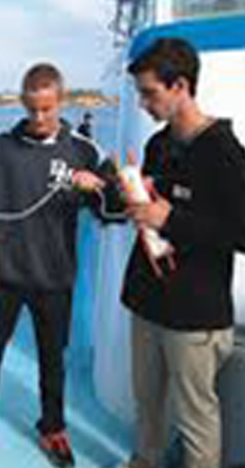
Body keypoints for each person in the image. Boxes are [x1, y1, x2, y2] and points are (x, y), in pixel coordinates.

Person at [0, 63, 114, 467]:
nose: (39, 118)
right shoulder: (0, 146)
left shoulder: (85, 151)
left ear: (61, 101)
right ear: (24, 104)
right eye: (32, 110)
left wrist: (102, 187)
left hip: (55, 279)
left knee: (52, 361)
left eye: (47, 109)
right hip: (5, 275)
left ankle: (53, 429)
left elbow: (113, 206)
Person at [116, 37, 245, 468]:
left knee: (196, 420)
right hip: (148, 303)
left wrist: (169, 219)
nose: (143, 103)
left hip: (194, 315)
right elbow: (146, 208)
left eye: (150, 93)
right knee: (147, 407)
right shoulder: (158, 146)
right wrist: (123, 194)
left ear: (181, 86)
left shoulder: (225, 154)